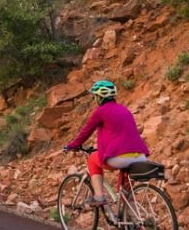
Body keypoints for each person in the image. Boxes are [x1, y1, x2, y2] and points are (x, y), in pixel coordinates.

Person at [64, 80, 150, 208]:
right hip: (140, 157)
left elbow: (86, 132)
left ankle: (99, 196)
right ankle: (130, 214)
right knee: (125, 192)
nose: (94, 99)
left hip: (121, 158)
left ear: (99, 97)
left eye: (95, 96)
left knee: (92, 159)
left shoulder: (101, 111)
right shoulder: (125, 110)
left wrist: (72, 145)